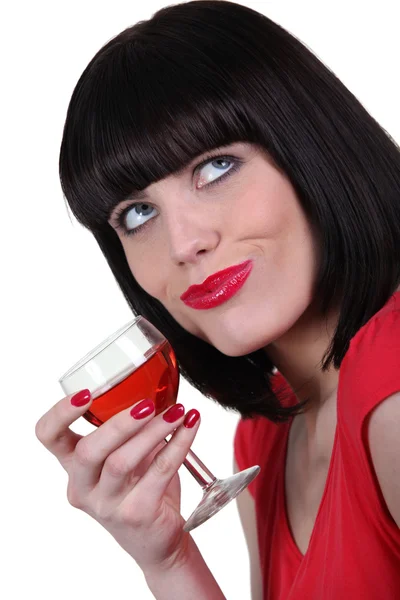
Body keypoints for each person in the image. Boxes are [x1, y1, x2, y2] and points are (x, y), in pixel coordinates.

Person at [35, 1, 400, 598]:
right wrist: (169, 561)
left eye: (217, 166)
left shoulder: (393, 393)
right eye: (138, 212)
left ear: (312, 147)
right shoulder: (267, 435)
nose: (184, 243)